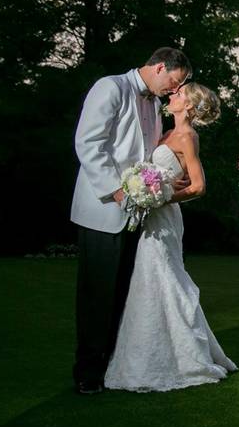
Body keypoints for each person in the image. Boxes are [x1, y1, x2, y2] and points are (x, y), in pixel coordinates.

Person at [70, 47, 192, 395]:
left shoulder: (154, 104)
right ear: (158, 67)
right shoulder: (110, 88)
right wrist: (117, 191)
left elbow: (148, 157)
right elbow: (89, 144)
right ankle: (87, 373)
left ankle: (112, 364)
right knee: (97, 295)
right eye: (174, 80)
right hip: (103, 210)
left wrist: (166, 182)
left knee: (124, 292)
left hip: (140, 213)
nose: (174, 89)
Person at [104, 82, 237, 392]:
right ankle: (150, 351)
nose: (173, 95)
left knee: (164, 277)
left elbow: (198, 186)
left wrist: (160, 198)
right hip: (152, 216)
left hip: (164, 218)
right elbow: (176, 176)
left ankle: (184, 357)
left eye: (179, 94)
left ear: (188, 106)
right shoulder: (166, 132)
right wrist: (148, 189)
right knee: (148, 279)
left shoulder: (188, 137)